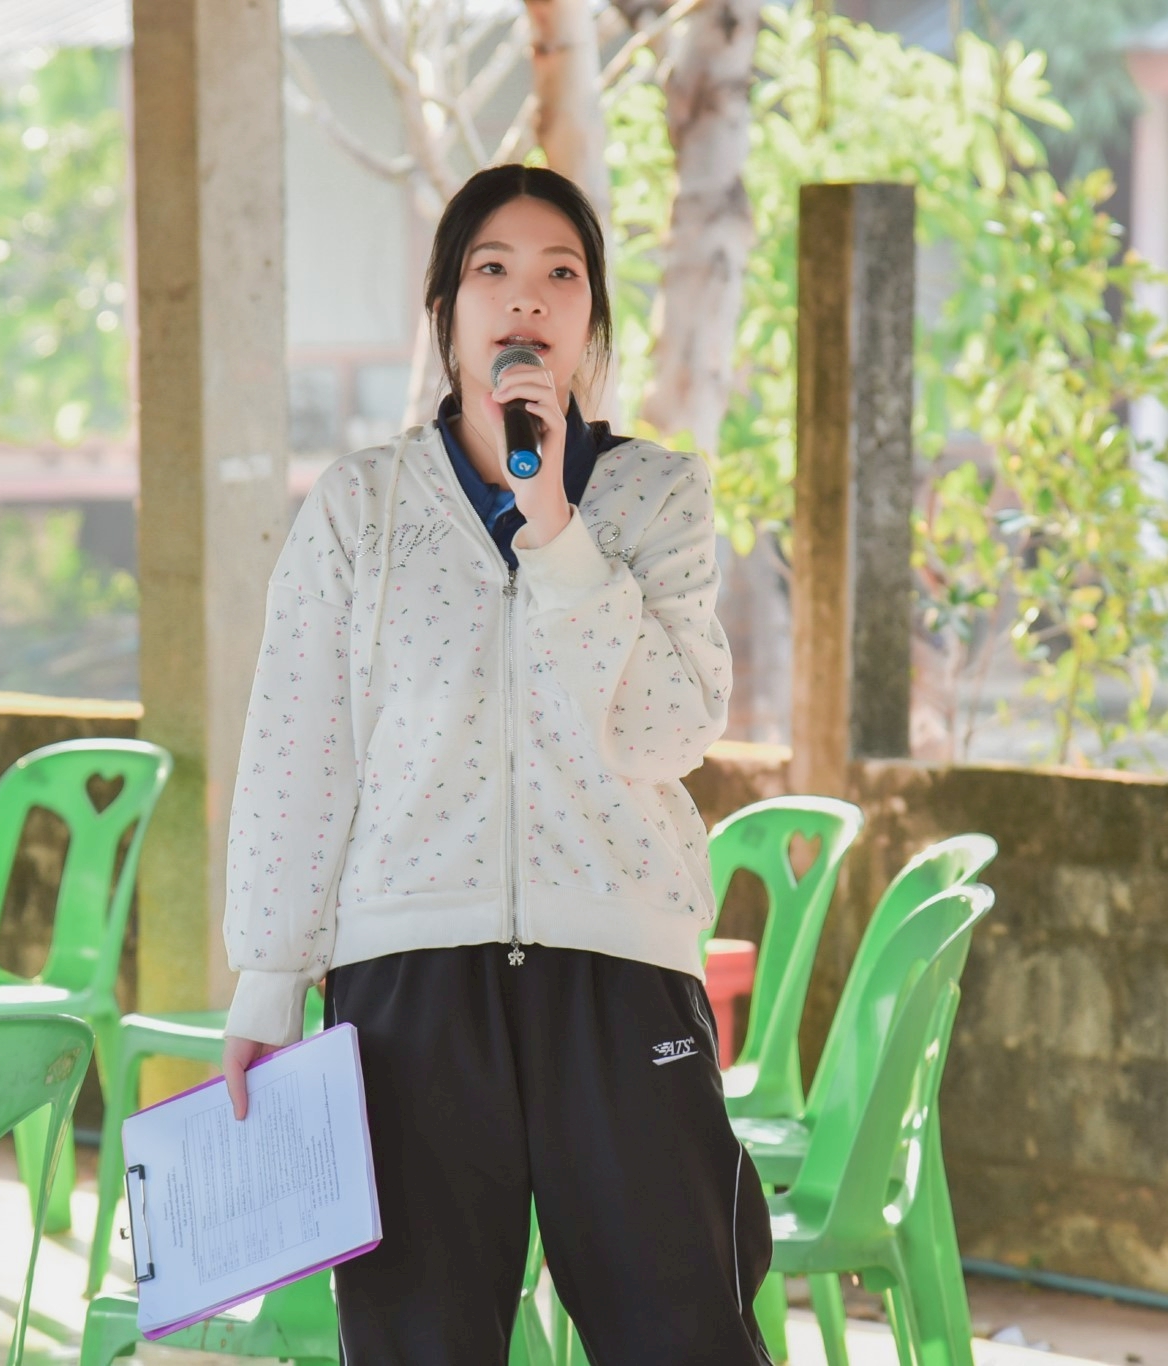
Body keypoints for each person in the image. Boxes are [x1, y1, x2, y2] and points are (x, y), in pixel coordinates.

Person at [218, 163, 770, 1365]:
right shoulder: (360, 508)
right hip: (407, 981)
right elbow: (298, 752)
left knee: (682, 1334)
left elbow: (669, 729)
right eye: (493, 269)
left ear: (591, 316)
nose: (527, 297)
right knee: (420, 1343)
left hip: (620, 969)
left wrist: (556, 527)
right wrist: (268, 979)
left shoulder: (657, 498)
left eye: (561, 273)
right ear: (446, 309)